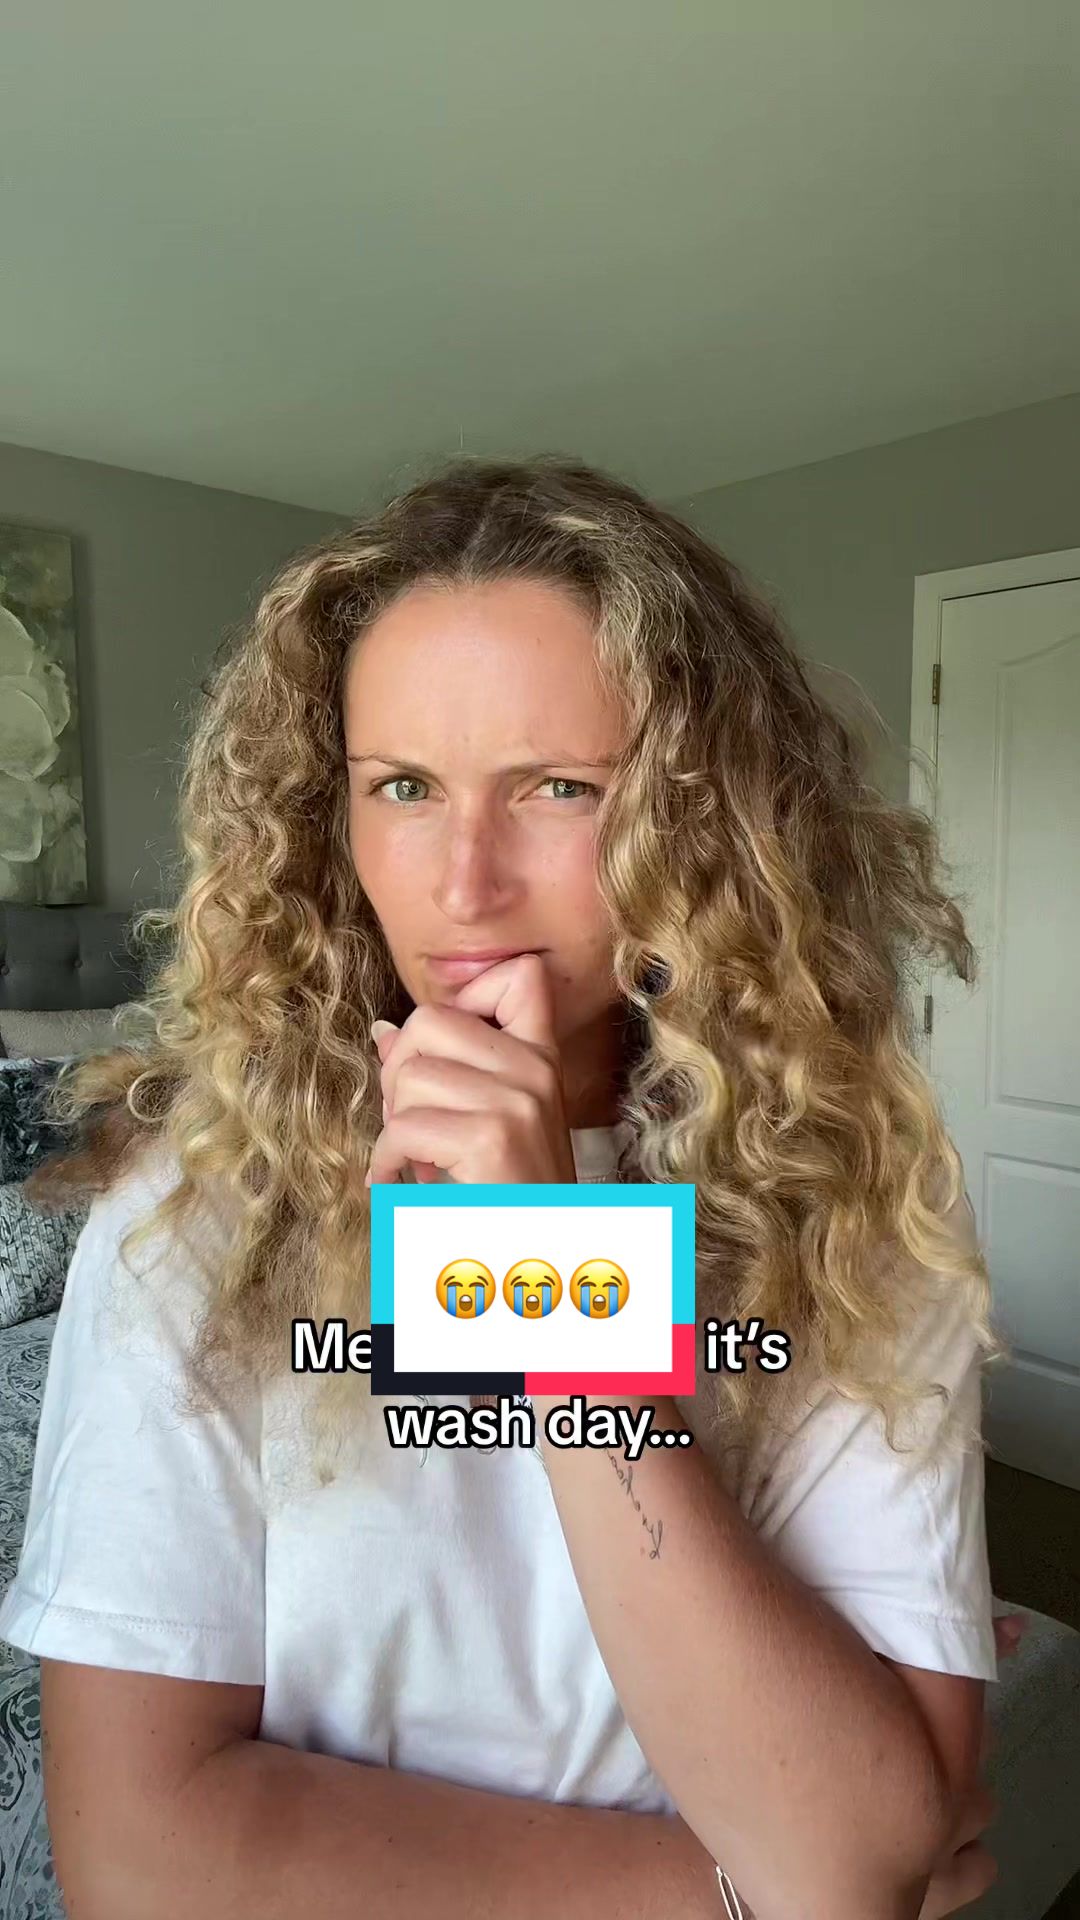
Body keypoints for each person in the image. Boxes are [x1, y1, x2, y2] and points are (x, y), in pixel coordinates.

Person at [0, 454, 1012, 1920]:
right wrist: (734, 1898)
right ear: (331, 817)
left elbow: (858, 1835)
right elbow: (141, 1861)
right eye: (403, 786)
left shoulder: (850, 1202)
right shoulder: (192, 1212)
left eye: (559, 788)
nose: (464, 884)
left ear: (709, 820)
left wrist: (548, 1270)